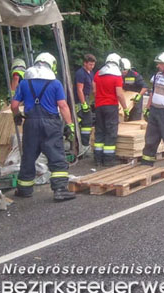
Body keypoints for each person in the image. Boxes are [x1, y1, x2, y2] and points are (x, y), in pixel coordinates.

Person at [11, 52, 76, 201]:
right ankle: (60, 190)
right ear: (51, 65)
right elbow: (63, 106)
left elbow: (14, 104)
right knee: (56, 156)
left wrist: (17, 116)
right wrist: (70, 125)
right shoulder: (55, 83)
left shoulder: (24, 83)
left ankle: (24, 189)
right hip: (51, 123)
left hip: (31, 123)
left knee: (28, 156)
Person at [92, 53, 129, 167]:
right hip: (111, 106)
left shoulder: (98, 73)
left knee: (100, 131)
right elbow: (119, 94)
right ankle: (108, 160)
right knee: (110, 132)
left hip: (99, 106)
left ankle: (98, 159)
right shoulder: (117, 75)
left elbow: (94, 90)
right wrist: (125, 108)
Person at [74, 54, 96, 147]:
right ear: (85, 63)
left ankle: (83, 142)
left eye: (93, 64)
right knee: (86, 120)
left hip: (87, 97)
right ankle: (84, 144)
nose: (92, 66)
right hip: (80, 99)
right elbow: (79, 89)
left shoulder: (90, 73)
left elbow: (93, 84)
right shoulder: (80, 73)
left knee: (86, 120)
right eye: (90, 64)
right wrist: (83, 104)